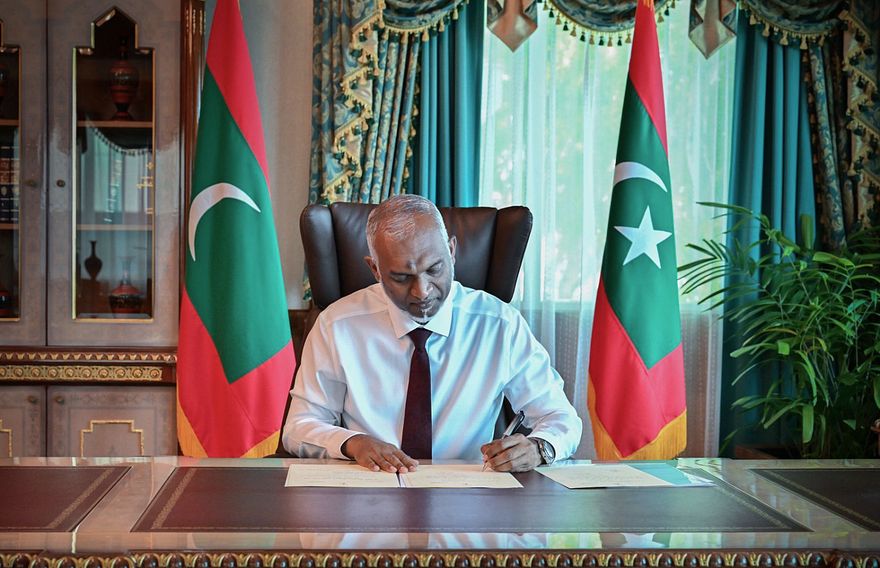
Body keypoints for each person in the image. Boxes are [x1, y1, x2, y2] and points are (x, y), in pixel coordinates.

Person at [282, 195, 581, 472]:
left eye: (434, 269)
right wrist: (353, 443)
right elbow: (298, 427)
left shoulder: (499, 324)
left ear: (451, 252)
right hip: (371, 490)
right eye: (402, 277)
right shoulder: (337, 325)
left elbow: (561, 418)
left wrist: (540, 447)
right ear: (375, 270)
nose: (422, 291)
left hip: (467, 495)